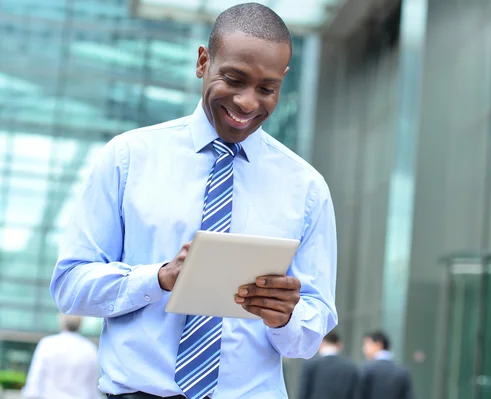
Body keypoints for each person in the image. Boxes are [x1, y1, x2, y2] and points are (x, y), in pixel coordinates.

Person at [49, 3, 337, 399]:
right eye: (233, 79)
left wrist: (286, 318)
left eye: (267, 88)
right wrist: (159, 277)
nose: (248, 103)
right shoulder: (128, 157)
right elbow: (70, 286)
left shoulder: (307, 189)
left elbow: (308, 335)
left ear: (283, 81)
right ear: (203, 61)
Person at [21, 315, 99, 399]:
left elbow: (35, 378)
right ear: (80, 324)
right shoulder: (90, 348)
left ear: (61, 321)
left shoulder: (48, 344)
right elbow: (93, 384)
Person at [297, 330, 358, 399]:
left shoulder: (311, 364)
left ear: (321, 343)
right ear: (340, 345)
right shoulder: (351, 367)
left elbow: (304, 392)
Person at [357, 331, 413, 399]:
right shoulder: (402, 371)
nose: (364, 349)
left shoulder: (365, 369)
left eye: (367, 344)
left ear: (379, 344)